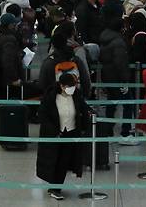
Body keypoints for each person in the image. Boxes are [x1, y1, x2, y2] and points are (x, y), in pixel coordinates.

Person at [36, 72, 91, 201]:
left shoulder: (76, 95)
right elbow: (43, 115)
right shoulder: (50, 97)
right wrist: (52, 130)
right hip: (54, 134)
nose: (71, 89)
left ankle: (56, 188)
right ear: (61, 86)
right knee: (53, 160)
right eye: (68, 86)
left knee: (64, 161)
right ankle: (54, 186)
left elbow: (82, 107)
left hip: (71, 132)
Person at [0, 13, 24, 97]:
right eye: (14, 24)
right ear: (10, 25)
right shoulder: (9, 40)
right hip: (7, 80)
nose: (15, 25)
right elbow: (8, 61)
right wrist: (14, 79)